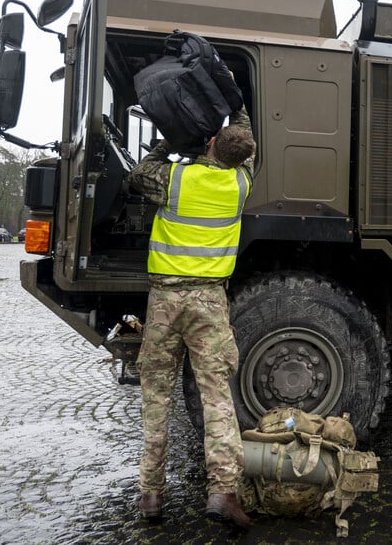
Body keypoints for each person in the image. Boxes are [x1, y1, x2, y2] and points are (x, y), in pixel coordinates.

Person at [127, 106, 256, 529]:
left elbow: (140, 170)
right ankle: (223, 492)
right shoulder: (241, 182)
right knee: (216, 396)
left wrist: (172, 141)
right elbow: (247, 146)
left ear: (212, 144)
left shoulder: (176, 179)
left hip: (164, 302)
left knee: (156, 397)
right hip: (209, 303)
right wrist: (237, 109)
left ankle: (150, 496)